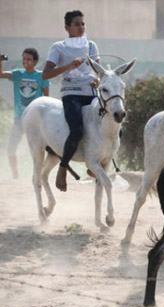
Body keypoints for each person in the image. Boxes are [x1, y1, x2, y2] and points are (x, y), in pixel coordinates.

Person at [42, 10, 100, 192]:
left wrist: (97, 79)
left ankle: (95, 166)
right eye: (77, 24)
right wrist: (69, 66)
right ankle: (63, 167)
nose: (81, 27)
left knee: (114, 124)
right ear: (67, 27)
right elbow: (46, 74)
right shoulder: (58, 47)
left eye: (83, 24)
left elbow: (98, 71)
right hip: (71, 93)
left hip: (91, 93)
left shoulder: (91, 46)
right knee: (76, 130)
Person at [0, 48, 50, 179]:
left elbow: (46, 98)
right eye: (24, 59)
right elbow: (1, 74)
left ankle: (38, 175)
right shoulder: (17, 74)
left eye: (28, 59)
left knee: (38, 151)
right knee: (11, 150)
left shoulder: (41, 76)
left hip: (35, 121)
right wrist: (0, 60)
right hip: (19, 119)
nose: (25, 61)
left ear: (35, 62)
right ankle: (15, 176)